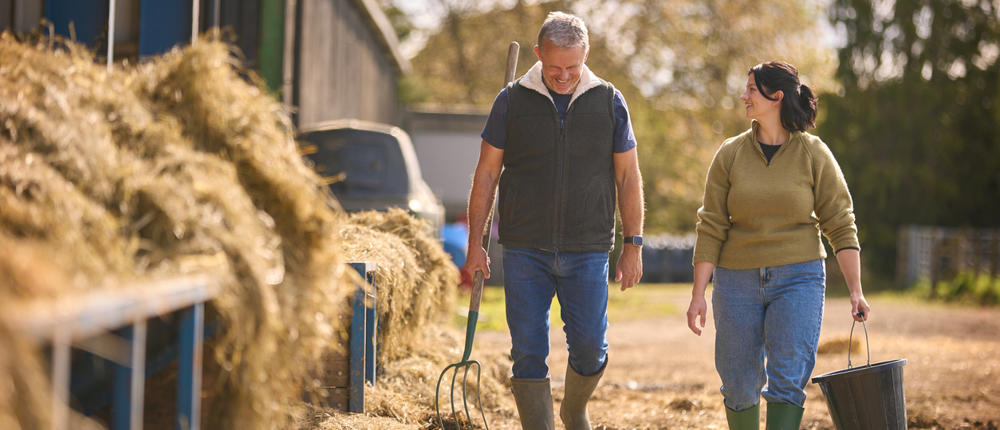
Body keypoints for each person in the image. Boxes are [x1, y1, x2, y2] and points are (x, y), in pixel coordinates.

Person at [463, 11, 644, 430]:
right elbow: (487, 173)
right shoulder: (510, 101)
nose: (563, 76)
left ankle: (574, 407)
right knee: (527, 350)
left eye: (573, 67)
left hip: (589, 248)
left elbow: (628, 175)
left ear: (586, 56)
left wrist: (632, 244)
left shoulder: (609, 101)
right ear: (537, 54)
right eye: (554, 67)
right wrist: (476, 244)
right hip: (526, 247)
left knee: (589, 348)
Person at [685, 61, 871, 430]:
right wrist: (698, 293)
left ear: (777, 96)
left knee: (787, 381)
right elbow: (711, 225)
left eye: (752, 89)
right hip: (736, 279)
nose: (744, 96)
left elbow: (840, 221)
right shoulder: (730, 153)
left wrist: (855, 291)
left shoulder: (814, 153)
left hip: (799, 276)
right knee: (738, 383)